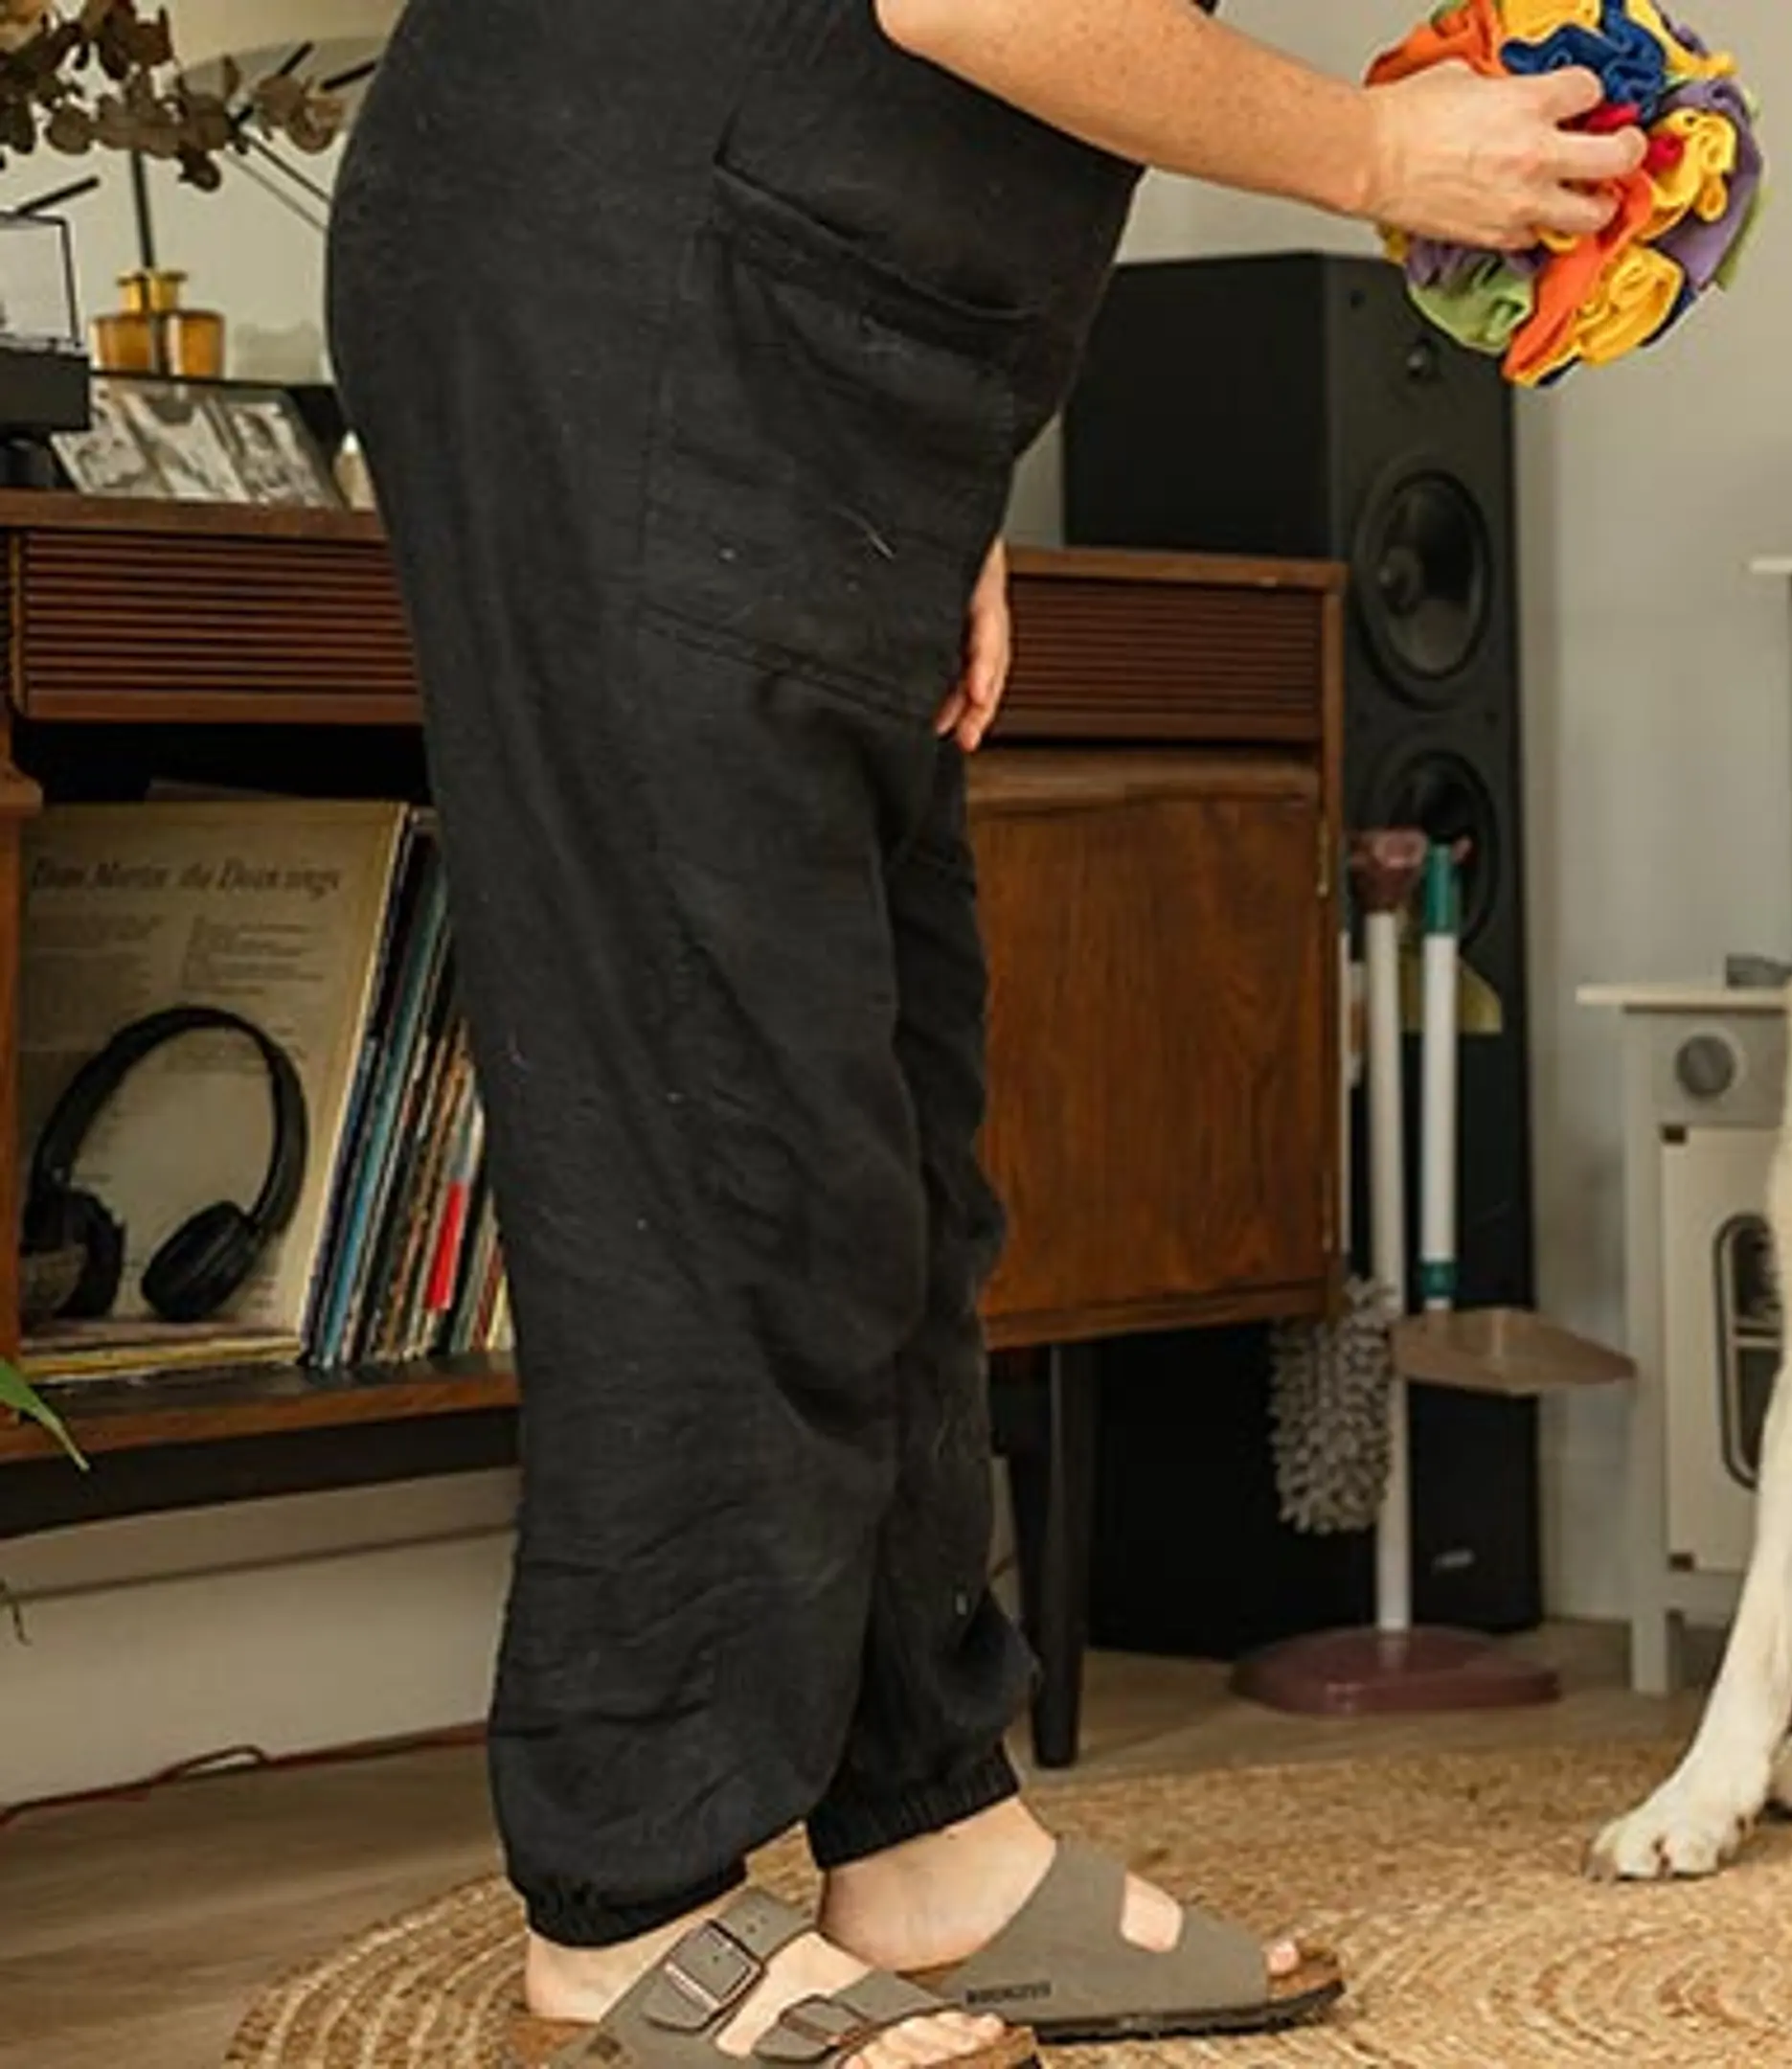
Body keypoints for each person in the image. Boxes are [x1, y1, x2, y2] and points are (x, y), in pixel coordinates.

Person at [324, 2, 1642, 2061]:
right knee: (720, 1119)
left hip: (813, 353)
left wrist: (930, 494)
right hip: (640, 304)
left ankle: (931, 1831)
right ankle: (627, 1889)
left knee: (893, 1129)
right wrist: (1381, 162)